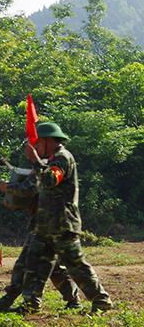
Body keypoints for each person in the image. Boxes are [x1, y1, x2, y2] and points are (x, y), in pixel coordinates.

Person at [15, 122, 113, 314]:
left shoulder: (62, 158)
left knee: (75, 264)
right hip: (47, 226)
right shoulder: (51, 159)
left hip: (62, 224)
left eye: (38, 143)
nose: (35, 147)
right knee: (35, 262)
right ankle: (30, 303)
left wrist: (35, 161)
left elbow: (51, 180)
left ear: (49, 140)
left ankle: (101, 300)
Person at [0, 170, 80, 312]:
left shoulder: (46, 165)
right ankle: (73, 300)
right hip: (44, 222)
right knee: (53, 268)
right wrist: (15, 204)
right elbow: (37, 198)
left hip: (50, 224)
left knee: (31, 264)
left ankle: (29, 303)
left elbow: (31, 188)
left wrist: (8, 187)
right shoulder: (46, 165)